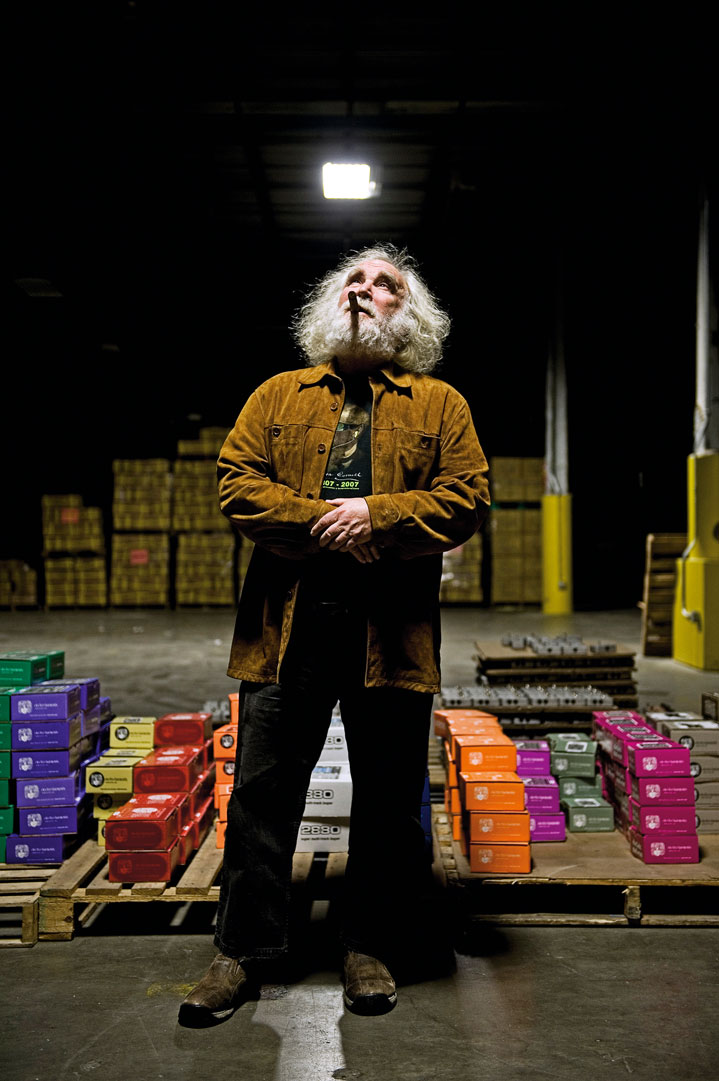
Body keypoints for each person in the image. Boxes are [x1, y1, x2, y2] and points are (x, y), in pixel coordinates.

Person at [178, 246, 490, 1027]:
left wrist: (376, 516)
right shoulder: (277, 394)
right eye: (355, 279)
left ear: (406, 315)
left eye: (387, 284)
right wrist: (325, 524)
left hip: (391, 630)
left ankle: (367, 945)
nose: (366, 289)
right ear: (331, 302)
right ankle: (244, 952)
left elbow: (468, 496)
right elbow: (236, 482)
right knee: (260, 794)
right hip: (286, 626)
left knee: (387, 802)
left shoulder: (440, 404)